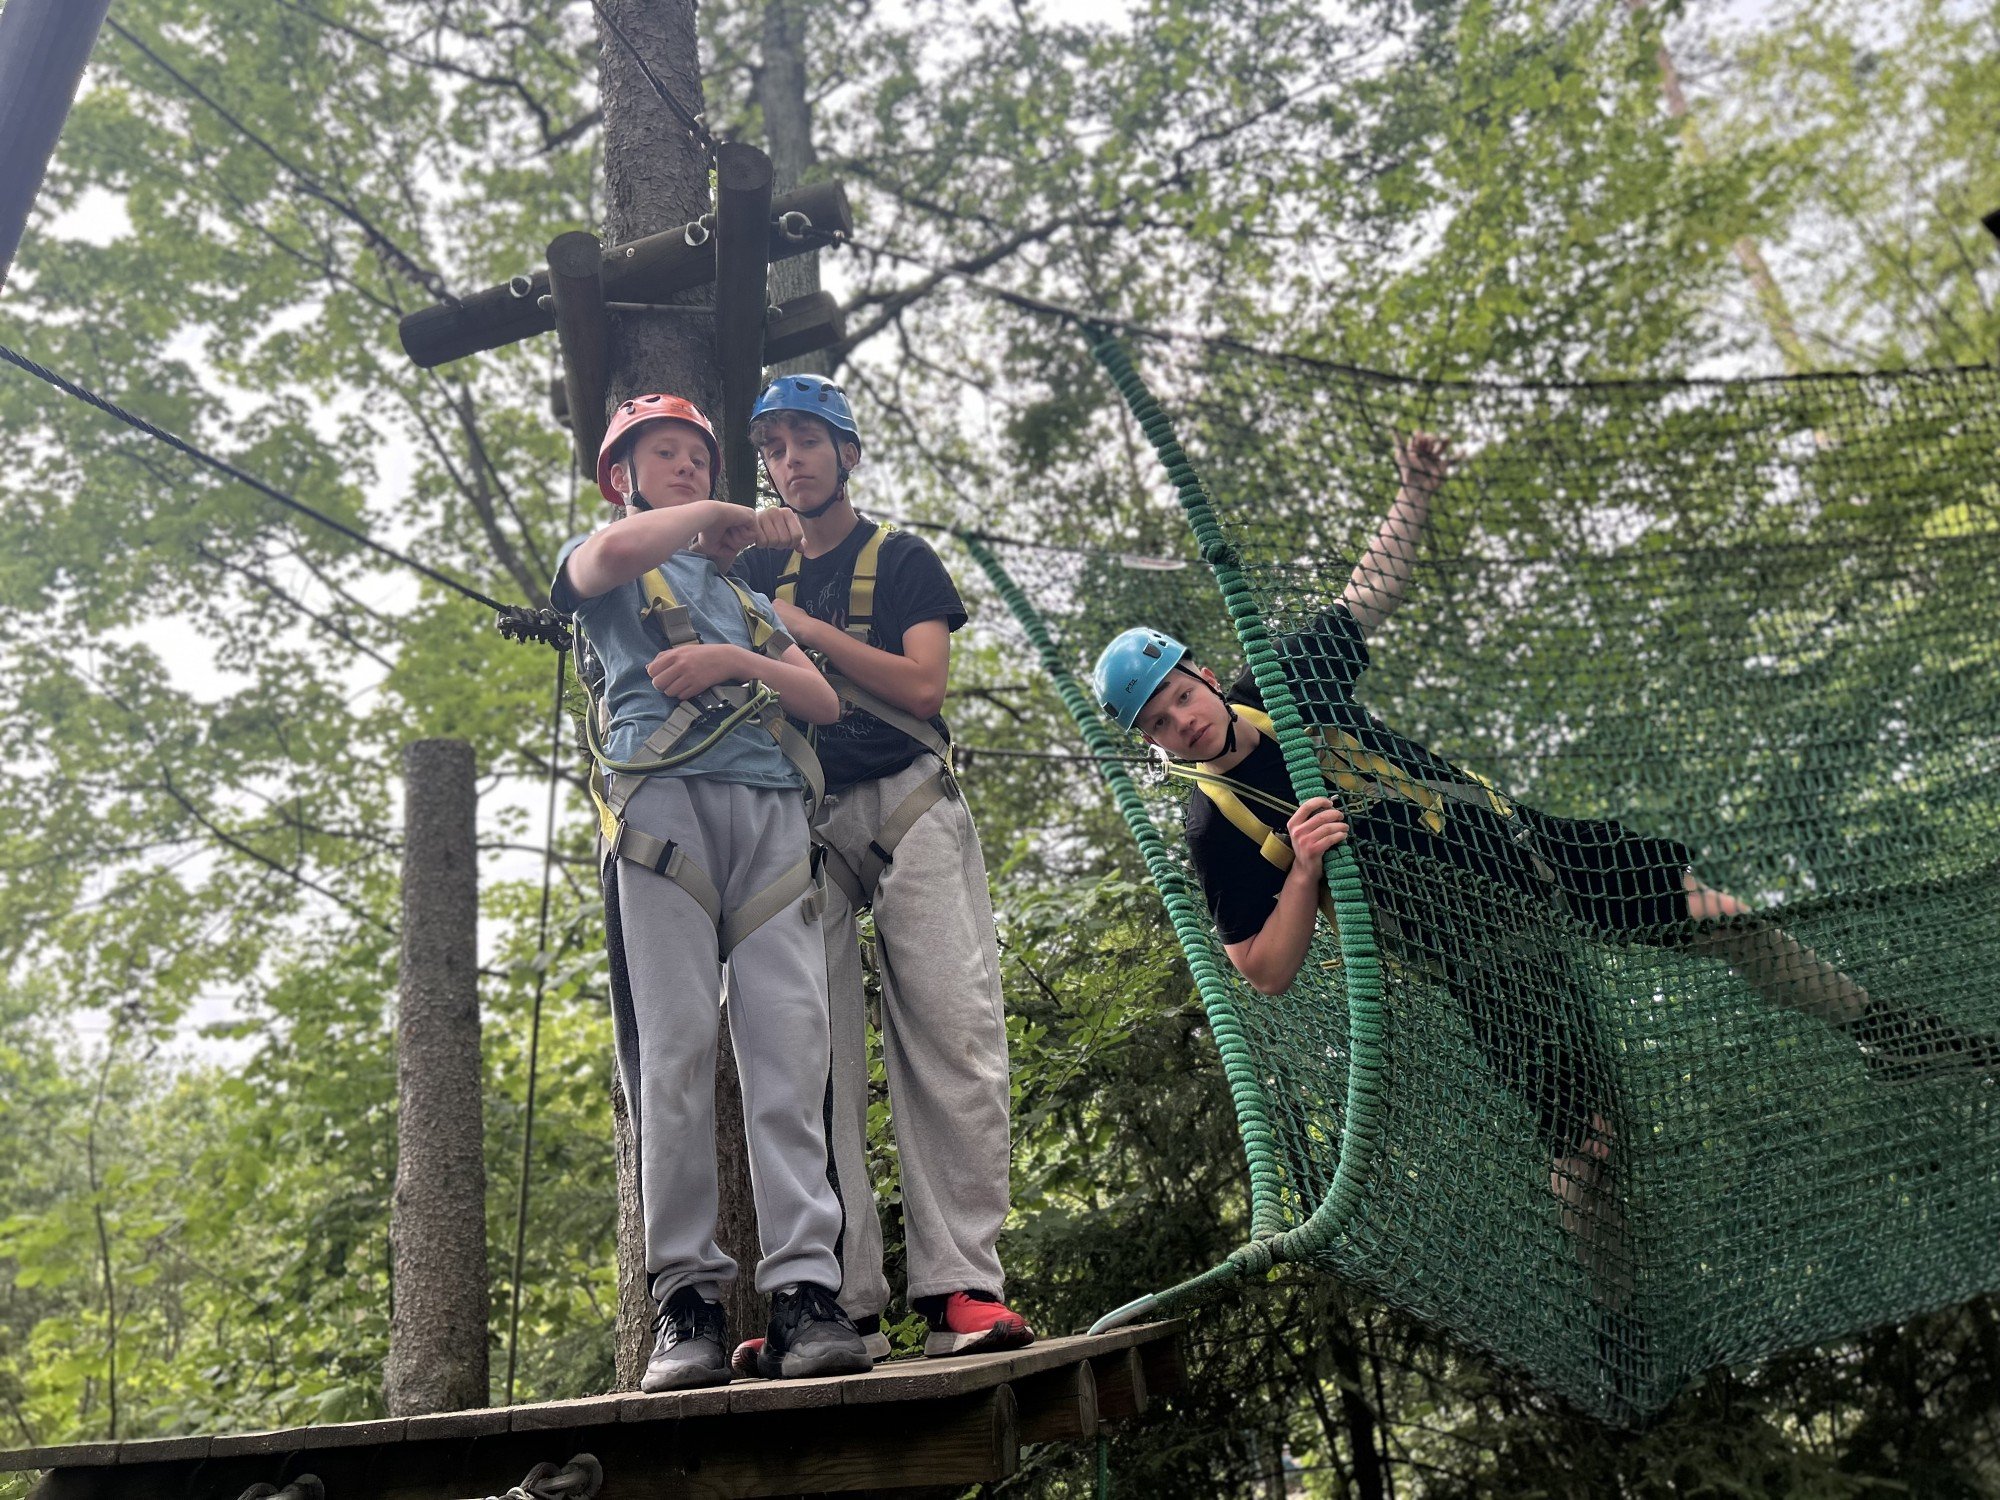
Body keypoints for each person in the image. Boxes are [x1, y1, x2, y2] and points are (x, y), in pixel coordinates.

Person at [1093, 432, 2000, 1284]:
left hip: (1535, 853)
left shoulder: (1282, 680)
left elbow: (1368, 594)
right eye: (1159, 723)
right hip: (1479, 945)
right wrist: (1302, 870)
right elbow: (1262, 970)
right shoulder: (1216, 826)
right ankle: (1619, 1322)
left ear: (1202, 674)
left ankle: (1885, 1032)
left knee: (1728, 919)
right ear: (1154, 744)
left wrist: (1415, 492)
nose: (1182, 720)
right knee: (1588, 1148)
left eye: (1180, 695)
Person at [552, 393, 871, 1390]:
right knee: (676, 1051)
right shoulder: (607, 560)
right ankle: (685, 1300)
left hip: (768, 815)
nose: (689, 465)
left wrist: (734, 656)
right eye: (666, 454)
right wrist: (719, 517)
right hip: (662, 813)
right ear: (623, 477)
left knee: (789, 1049)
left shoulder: (743, 600)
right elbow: (605, 558)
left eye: (698, 454)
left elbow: (821, 699)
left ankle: (804, 1290)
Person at [726, 375, 1031, 1365]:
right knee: (804, 1059)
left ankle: (961, 1288)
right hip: (801, 822)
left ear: (847, 452)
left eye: (808, 440)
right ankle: (833, 1302)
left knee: (950, 1033)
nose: (791, 460)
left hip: (908, 800)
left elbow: (924, 683)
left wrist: (806, 632)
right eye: (774, 447)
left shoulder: (899, 558)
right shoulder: (747, 576)